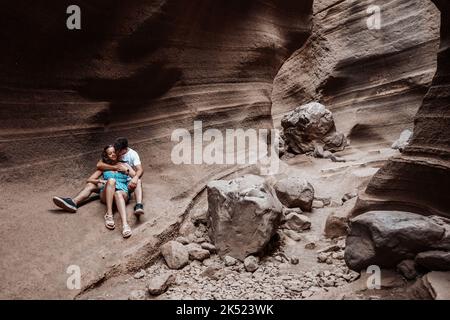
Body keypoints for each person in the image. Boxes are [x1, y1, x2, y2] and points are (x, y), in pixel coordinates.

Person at [52, 137, 145, 215]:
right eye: (111, 153)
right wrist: (101, 180)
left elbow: (137, 172)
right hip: (108, 188)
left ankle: (138, 205)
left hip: (123, 187)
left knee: (136, 181)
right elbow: (94, 172)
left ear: (123, 151)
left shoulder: (130, 157)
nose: (114, 154)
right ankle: (73, 202)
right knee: (91, 185)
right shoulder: (107, 161)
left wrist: (127, 171)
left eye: (115, 152)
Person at [86, 145, 134, 238]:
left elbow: (135, 176)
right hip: (107, 193)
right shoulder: (104, 167)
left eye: (113, 152)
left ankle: (125, 225)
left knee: (118, 193)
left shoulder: (124, 164)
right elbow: (89, 179)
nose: (112, 154)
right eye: (109, 153)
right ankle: (109, 214)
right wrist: (101, 181)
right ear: (107, 156)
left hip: (122, 192)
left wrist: (126, 170)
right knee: (111, 180)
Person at [97, 137, 145, 216]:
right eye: (116, 150)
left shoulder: (133, 154)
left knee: (138, 181)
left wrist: (133, 176)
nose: (116, 153)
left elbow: (140, 170)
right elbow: (99, 164)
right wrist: (115, 167)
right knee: (91, 186)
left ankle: (139, 205)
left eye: (119, 151)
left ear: (124, 149)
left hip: (127, 181)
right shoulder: (114, 151)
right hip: (115, 180)